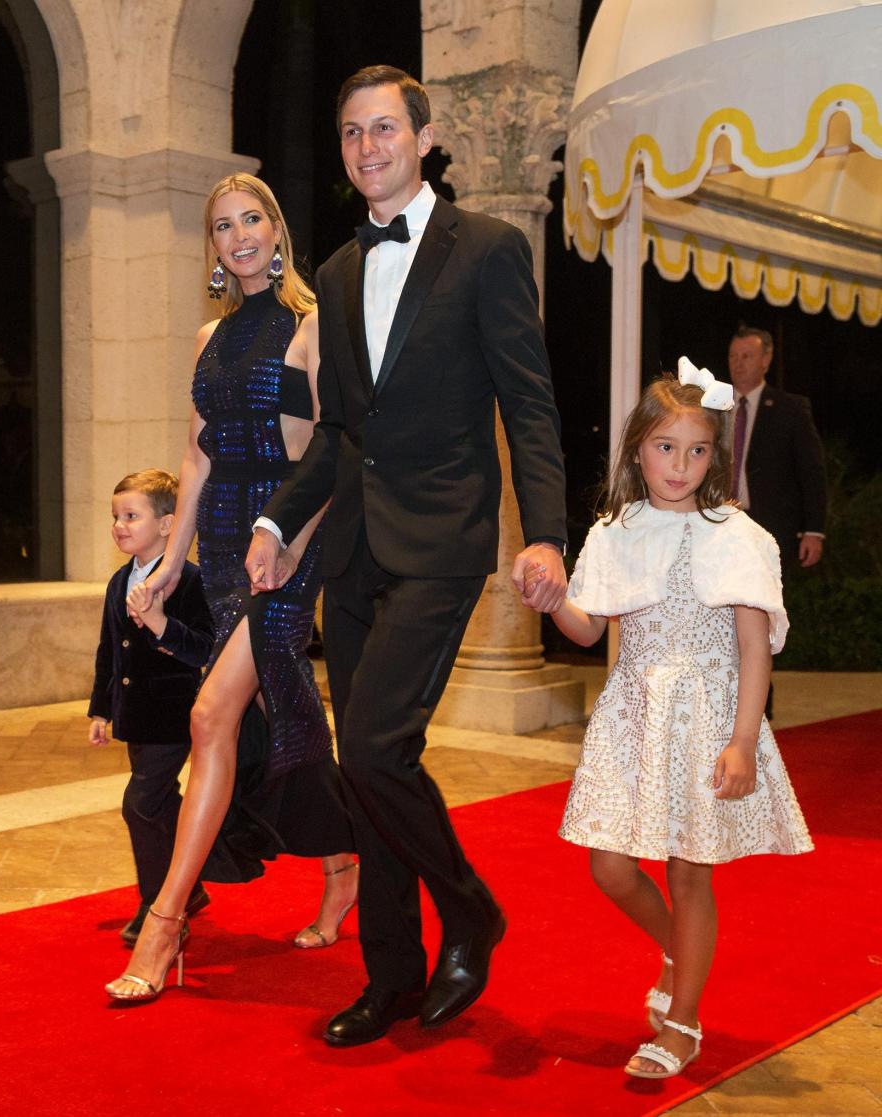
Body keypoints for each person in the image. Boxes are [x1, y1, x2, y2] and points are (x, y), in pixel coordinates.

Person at [245, 65, 569, 1047]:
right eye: (351, 132)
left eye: (384, 128)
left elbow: (530, 402)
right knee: (372, 763)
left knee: (377, 746)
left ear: (424, 138)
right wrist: (275, 523)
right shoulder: (338, 274)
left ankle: (470, 907)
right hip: (354, 549)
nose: (367, 146)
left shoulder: (490, 251)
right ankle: (391, 976)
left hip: (441, 538)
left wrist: (548, 529)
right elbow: (343, 431)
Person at [105, 174, 356, 1004]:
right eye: (223, 225)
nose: (238, 235)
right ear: (212, 246)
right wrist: (172, 558)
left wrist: (291, 544)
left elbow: (330, 449)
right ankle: (344, 862)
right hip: (218, 548)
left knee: (212, 712)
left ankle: (166, 918)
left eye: (252, 219)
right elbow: (198, 456)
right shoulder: (210, 335)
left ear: (276, 229)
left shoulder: (313, 323)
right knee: (281, 708)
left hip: (284, 535)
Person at [528, 362, 812, 1079]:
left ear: (714, 456)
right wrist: (552, 595)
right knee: (611, 863)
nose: (680, 464)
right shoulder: (615, 530)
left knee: (690, 872)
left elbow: (754, 645)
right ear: (636, 450)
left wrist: (743, 739)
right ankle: (679, 950)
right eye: (665, 447)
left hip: (709, 715)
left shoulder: (738, 534)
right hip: (635, 711)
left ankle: (682, 1020)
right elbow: (588, 628)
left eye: (697, 449)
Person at [88, 469, 214, 945]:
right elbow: (109, 650)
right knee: (161, 805)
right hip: (135, 716)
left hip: (174, 716)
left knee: (139, 805)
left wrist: (162, 626)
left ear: (168, 524)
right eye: (115, 517)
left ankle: (158, 904)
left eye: (131, 516)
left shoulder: (189, 582)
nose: (120, 525)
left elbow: (205, 649)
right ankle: (193, 889)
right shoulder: (119, 581)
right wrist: (102, 709)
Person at [727, 326, 827, 569]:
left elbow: (811, 471)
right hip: (720, 520)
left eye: (747, 356)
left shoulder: (790, 408)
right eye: (733, 356)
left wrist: (813, 530)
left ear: (766, 360)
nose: (738, 364)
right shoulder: (713, 407)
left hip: (770, 525)